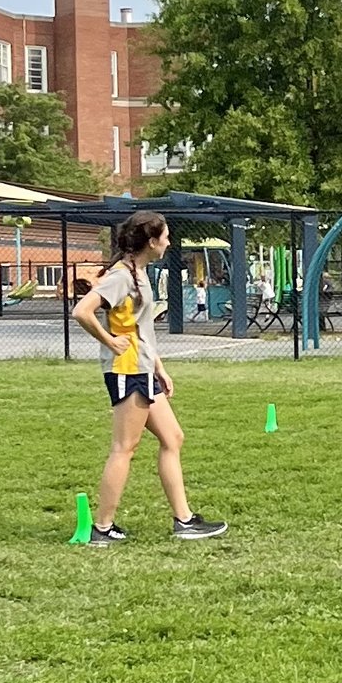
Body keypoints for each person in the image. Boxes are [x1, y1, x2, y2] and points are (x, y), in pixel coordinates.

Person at [72, 212, 227, 546]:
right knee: (124, 448)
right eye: (166, 237)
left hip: (142, 368)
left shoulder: (138, 272)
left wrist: (159, 366)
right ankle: (102, 528)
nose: (169, 242)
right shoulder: (121, 276)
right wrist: (108, 341)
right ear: (152, 241)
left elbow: (139, 329)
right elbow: (82, 311)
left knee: (173, 437)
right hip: (126, 371)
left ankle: (184, 521)